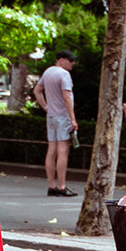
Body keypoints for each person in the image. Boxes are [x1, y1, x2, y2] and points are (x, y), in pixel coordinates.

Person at [37, 52, 78, 197]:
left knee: (51, 150)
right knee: (63, 151)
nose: (72, 64)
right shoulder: (64, 74)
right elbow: (67, 97)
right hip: (63, 116)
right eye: (70, 61)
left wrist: (46, 107)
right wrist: (73, 118)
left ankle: (51, 185)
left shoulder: (48, 72)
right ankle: (61, 186)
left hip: (51, 116)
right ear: (61, 60)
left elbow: (37, 91)